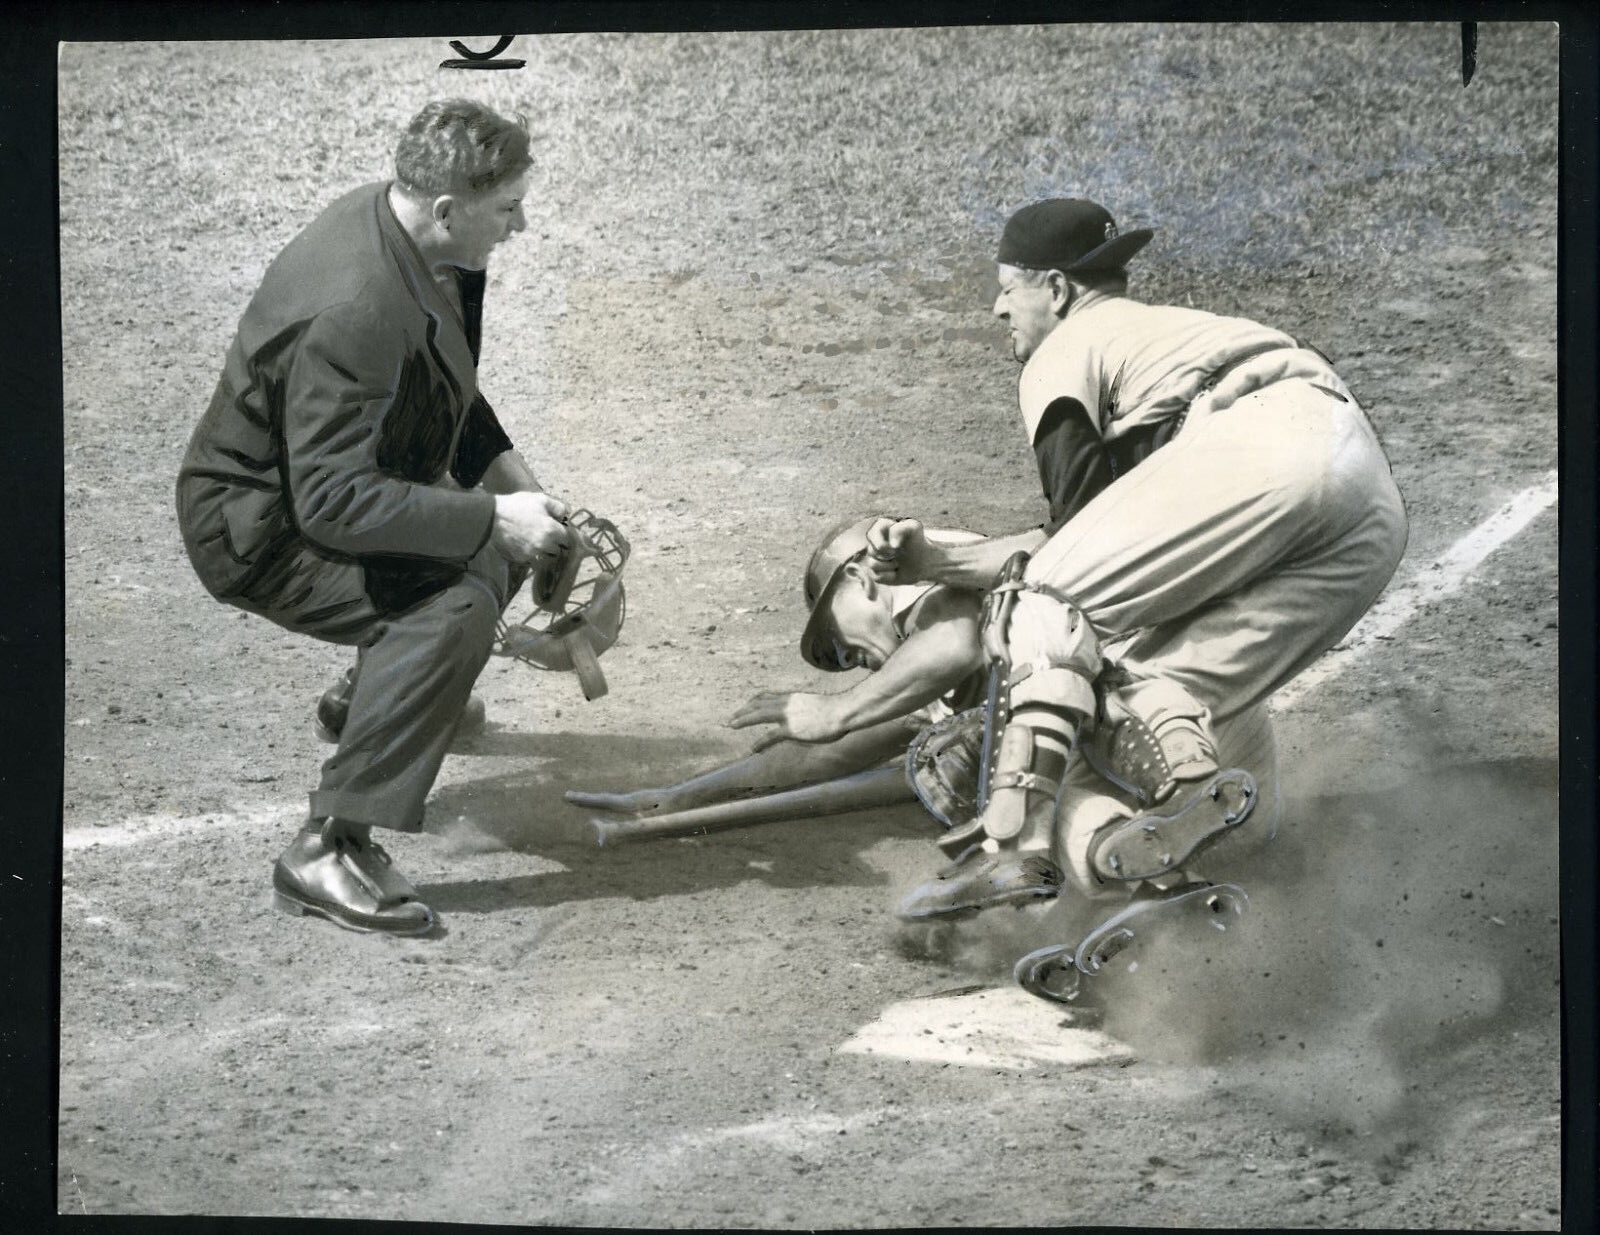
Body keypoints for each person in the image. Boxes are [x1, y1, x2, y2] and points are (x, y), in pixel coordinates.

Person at [733, 198, 1408, 938]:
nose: (997, 310)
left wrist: (842, 704)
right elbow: (1106, 539)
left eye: (1007, 288)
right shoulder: (1156, 341)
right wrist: (936, 562)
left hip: (1269, 440)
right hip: (1367, 514)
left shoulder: (1068, 345)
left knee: (1036, 605)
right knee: (1124, 714)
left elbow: (1063, 549)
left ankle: (1011, 845)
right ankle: (1161, 879)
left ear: (1055, 289)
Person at [176, 99, 575, 936]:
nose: (522, 225)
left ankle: (373, 694)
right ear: (447, 207)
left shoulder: (424, 246)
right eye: (507, 208)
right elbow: (330, 501)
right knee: (457, 602)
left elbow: (446, 392)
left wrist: (522, 490)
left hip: (315, 488)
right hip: (255, 524)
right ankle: (325, 846)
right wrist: (492, 521)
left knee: (485, 543)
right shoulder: (356, 303)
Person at [566, 518, 990, 822]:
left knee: (949, 757)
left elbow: (956, 644)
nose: (848, 659)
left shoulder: (909, 579)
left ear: (861, 579)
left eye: (834, 634)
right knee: (949, 750)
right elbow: (829, 753)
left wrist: (837, 709)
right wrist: (679, 797)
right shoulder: (916, 659)